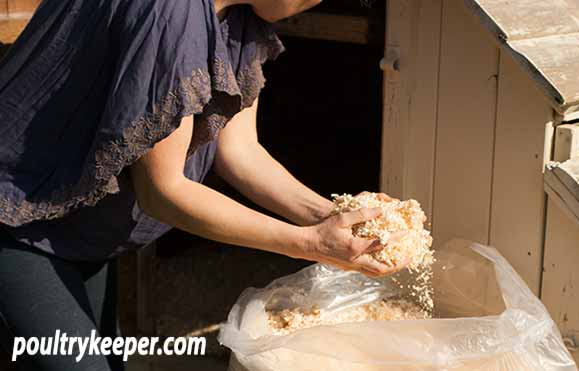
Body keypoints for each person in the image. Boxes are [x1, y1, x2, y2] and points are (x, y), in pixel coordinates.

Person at [0, 0, 409, 369]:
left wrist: (334, 215)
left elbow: (240, 151)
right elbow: (164, 192)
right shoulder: (169, 13)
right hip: (18, 223)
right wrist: (310, 243)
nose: (310, 6)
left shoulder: (239, 15)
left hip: (78, 229)